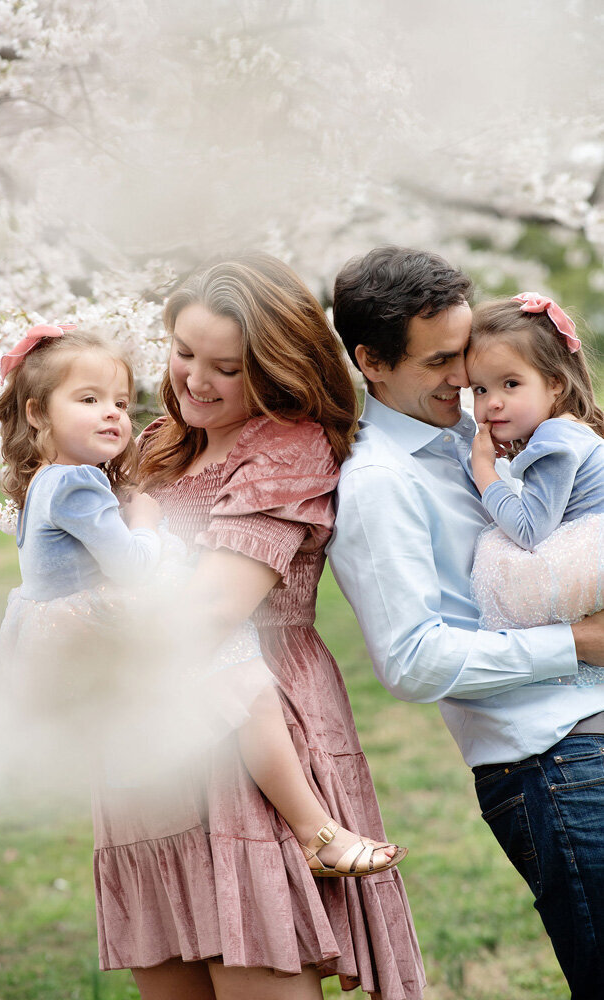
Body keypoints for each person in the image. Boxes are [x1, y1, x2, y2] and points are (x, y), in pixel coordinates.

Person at [93, 254, 425, 1000]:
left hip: (246, 737)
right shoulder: (155, 444)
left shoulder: (288, 446)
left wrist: (94, 628)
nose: (195, 381)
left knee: (255, 970)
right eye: (183, 353)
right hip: (148, 739)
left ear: (276, 369)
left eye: (226, 368)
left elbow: (214, 610)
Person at [0, 324, 406, 882]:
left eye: (119, 401)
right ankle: (315, 831)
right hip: (96, 624)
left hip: (58, 630)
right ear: (38, 413)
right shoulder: (77, 486)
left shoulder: (49, 479)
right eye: (89, 401)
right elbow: (133, 565)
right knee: (246, 677)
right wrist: (150, 526)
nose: (114, 415)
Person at [328, 246, 604, 1000]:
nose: (465, 379)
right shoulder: (378, 483)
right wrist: (578, 643)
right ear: (372, 362)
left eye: (472, 358)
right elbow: (411, 659)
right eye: (442, 361)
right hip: (554, 762)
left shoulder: (473, 433)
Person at [468, 293, 604, 650]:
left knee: (498, 553)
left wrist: (484, 471)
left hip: (590, 560)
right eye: (480, 389)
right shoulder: (567, 428)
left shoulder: (553, 439)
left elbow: (530, 530)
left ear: (555, 382)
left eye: (510, 384)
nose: (492, 401)